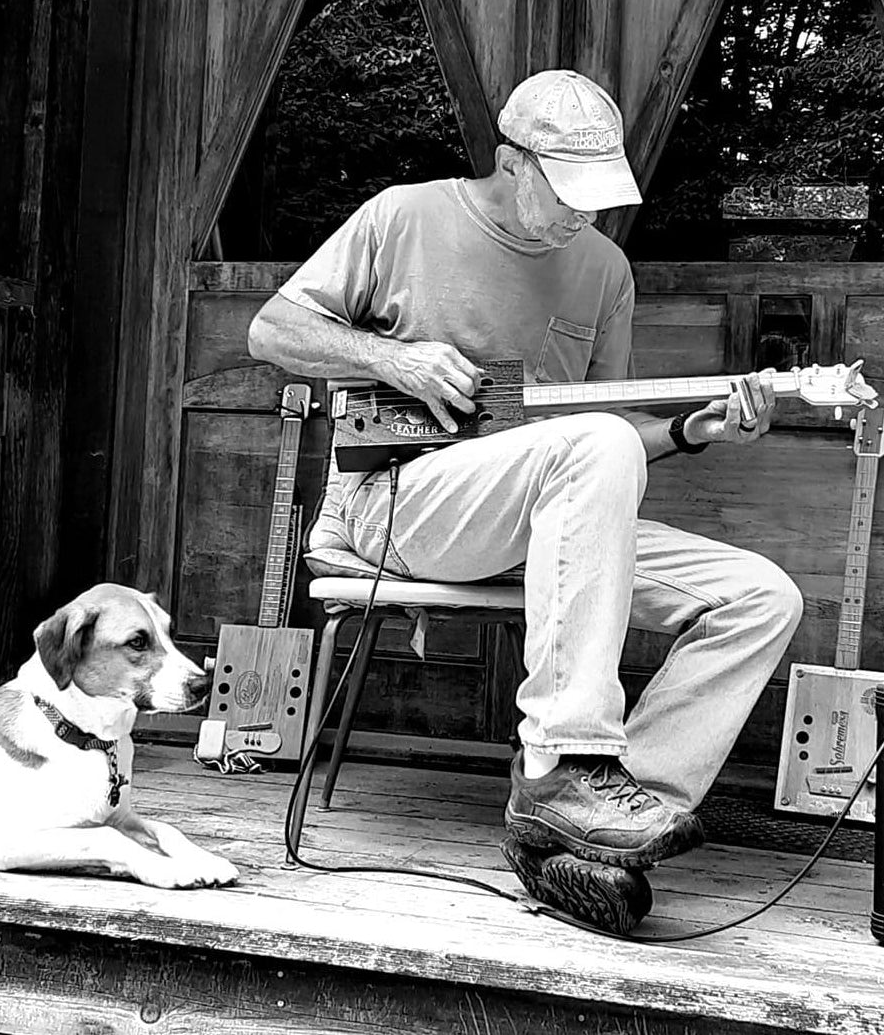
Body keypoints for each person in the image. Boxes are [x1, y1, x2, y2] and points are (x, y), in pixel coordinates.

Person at [248, 69, 803, 880]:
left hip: (554, 514)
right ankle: (556, 762)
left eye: (599, 194)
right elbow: (272, 329)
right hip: (400, 503)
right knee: (592, 444)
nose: (586, 212)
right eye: (569, 190)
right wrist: (391, 357)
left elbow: (608, 441)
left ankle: (592, 830)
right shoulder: (405, 216)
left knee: (761, 597)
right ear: (514, 163)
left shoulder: (606, 269)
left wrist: (692, 428)